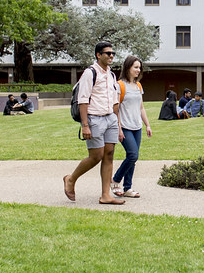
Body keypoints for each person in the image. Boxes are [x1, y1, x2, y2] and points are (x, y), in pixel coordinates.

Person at [63, 41, 125, 205]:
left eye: (113, 53)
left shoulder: (111, 75)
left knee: (109, 154)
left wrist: (118, 125)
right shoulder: (90, 73)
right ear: (98, 55)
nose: (111, 56)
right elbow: (83, 100)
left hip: (110, 118)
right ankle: (71, 179)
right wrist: (85, 125)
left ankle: (105, 195)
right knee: (96, 155)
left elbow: (115, 101)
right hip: (94, 118)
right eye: (108, 53)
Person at [111, 55, 152, 199]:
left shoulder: (138, 86)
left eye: (139, 67)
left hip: (137, 126)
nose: (138, 70)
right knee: (133, 155)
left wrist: (147, 125)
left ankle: (127, 188)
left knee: (132, 158)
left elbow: (141, 108)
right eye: (135, 67)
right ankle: (115, 180)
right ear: (128, 67)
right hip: (125, 126)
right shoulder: (119, 85)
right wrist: (119, 129)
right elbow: (115, 109)